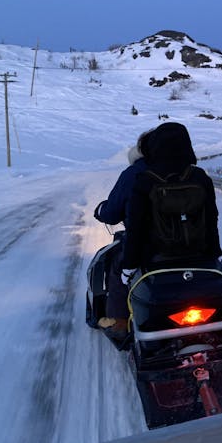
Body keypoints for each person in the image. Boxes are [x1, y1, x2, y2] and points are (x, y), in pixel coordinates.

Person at [121, 122, 222, 284]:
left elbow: (136, 228)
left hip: (156, 262)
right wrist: (215, 254)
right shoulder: (199, 177)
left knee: (119, 288)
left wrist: (129, 266)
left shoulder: (145, 181)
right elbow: (211, 220)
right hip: (200, 258)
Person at [93, 128, 153, 337]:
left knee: (118, 266)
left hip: (147, 247)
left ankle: (119, 321)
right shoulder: (189, 172)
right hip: (193, 244)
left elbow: (111, 213)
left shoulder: (134, 174)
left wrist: (101, 211)